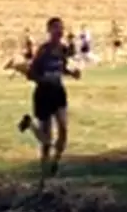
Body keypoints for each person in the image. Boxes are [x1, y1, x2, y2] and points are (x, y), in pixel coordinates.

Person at [18, 17, 82, 184]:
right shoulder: (43, 51)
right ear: (49, 31)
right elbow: (31, 73)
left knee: (64, 129)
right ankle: (43, 174)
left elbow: (62, 67)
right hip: (43, 93)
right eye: (55, 29)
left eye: (61, 28)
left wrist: (72, 74)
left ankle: (55, 162)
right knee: (46, 140)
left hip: (58, 91)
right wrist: (42, 79)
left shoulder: (62, 49)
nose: (59, 31)